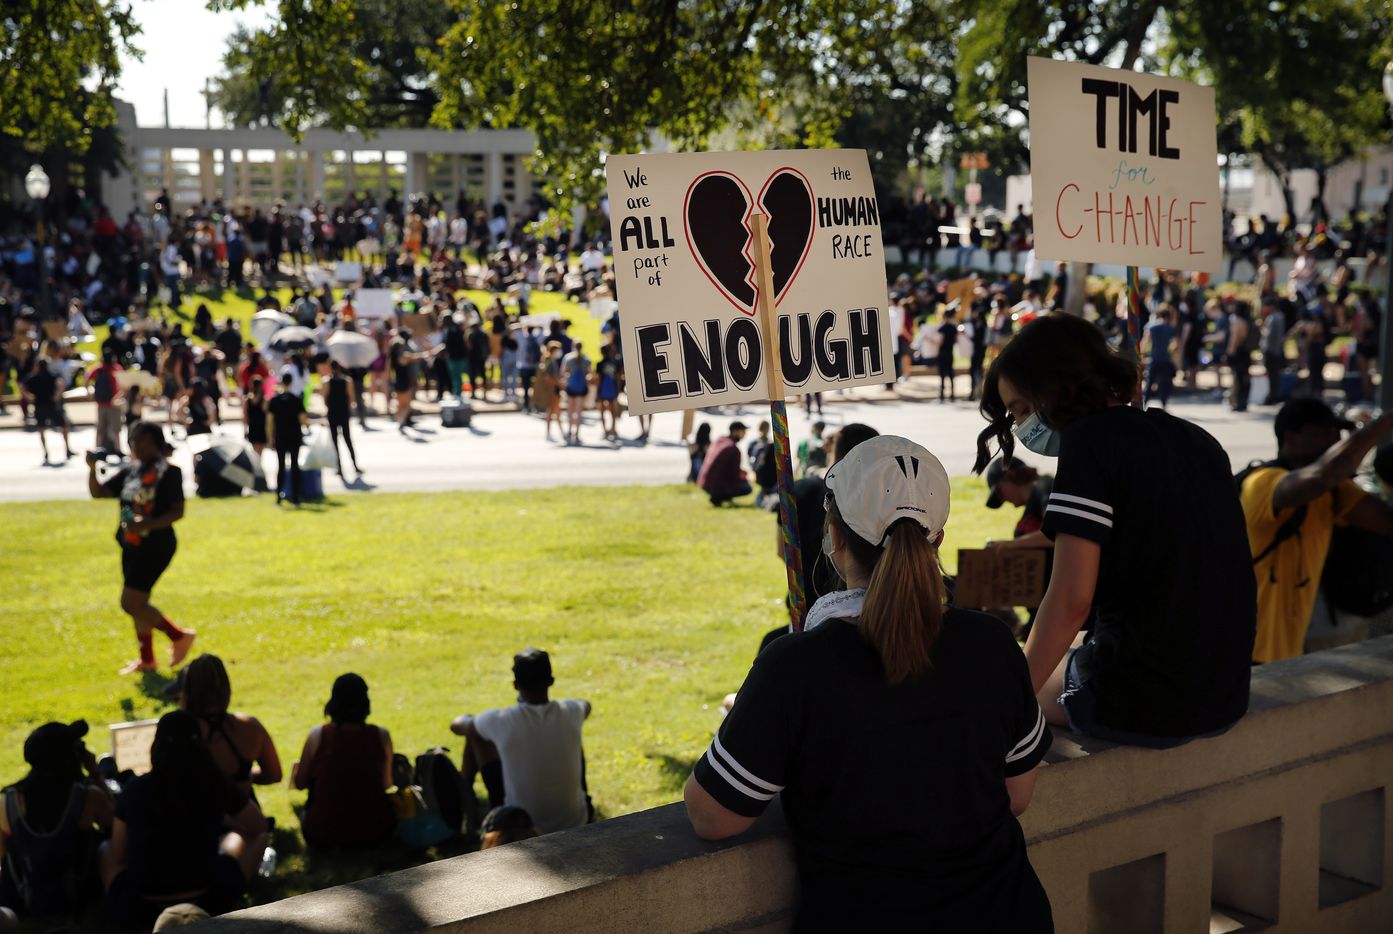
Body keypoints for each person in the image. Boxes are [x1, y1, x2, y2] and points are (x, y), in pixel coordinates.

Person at [686, 436, 1053, 932]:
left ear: (834, 538)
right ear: (938, 538)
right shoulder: (992, 642)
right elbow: (1017, 796)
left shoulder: (794, 667)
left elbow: (714, 817)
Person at [974, 314, 1255, 747]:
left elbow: (1071, 599)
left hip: (1152, 705)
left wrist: (1007, 698)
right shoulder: (1194, 437)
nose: (1022, 426)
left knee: (1001, 679)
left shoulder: (1089, 442)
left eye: (1022, 409)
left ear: (1055, 385)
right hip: (1227, 694)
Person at [1241, 401, 1393, 663]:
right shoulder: (1262, 482)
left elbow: (1387, 522)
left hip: (1289, 652)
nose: (1335, 440)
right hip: (1247, 652)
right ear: (1290, 437)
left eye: (1338, 433)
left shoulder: (1335, 492)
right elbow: (1326, 473)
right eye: (1324, 433)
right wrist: (1386, 421)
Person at [100, 711, 266, 928]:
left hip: (142, 902)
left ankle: (113, 908)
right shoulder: (213, 783)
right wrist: (226, 820)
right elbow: (259, 825)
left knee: (104, 849)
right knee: (254, 837)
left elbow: (118, 853)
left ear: (156, 746)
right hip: (209, 896)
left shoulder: (136, 789)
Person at [87, 421, 196, 674]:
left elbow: (177, 512)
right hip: (131, 544)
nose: (136, 444)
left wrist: (146, 523)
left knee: (130, 602)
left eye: (143, 440)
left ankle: (179, 636)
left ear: (156, 442)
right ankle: (147, 659)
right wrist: (92, 469)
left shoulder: (169, 472)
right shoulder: (132, 471)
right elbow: (100, 493)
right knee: (139, 603)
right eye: (134, 439)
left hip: (156, 545)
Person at [451, 649, 592, 834]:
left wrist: (471, 718)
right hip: (576, 821)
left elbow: (457, 725)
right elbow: (586, 705)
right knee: (570, 734)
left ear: (515, 685)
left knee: (475, 734)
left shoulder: (501, 720)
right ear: (551, 681)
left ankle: (465, 802)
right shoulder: (572, 712)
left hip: (519, 825)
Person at [0, 721, 114, 919]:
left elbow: (3, 854)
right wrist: (94, 772)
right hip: (81, 898)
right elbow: (116, 822)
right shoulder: (88, 796)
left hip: (21, 901)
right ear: (72, 756)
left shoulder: (7, 802)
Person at [292, 674, 396, 848]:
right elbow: (387, 784)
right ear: (365, 702)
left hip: (323, 835)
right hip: (376, 832)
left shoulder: (318, 735)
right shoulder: (381, 735)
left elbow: (300, 782)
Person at [177, 655, 283, 802]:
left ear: (187, 693)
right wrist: (243, 778)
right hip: (244, 819)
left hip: (197, 819)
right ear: (226, 688)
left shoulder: (177, 733)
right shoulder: (250, 727)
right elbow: (274, 774)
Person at [22, 355, 71, 464]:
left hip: (39, 406)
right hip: (51, 405)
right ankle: (67, 448)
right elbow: (61, 383)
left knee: (41, 430)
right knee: (64, 426)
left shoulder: (33, 378)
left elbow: (22, 386)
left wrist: (28, 396)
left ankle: (45, 451)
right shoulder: (52, 376)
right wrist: (58, 395)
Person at [267, 372, 307, 505]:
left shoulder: (275, 400)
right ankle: (296, 497)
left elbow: (270, 422)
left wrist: (270, 438)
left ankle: (279, 497)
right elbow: (303, 420)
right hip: (294, 435)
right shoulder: (296, 399)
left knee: (281, 466)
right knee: (295, 465)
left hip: (280, 435)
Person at [322, 360, 361, 483]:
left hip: (333, 413)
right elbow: (352, 399)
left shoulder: (326, 381)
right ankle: (354, 465)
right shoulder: (347, 381)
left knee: (335, 441)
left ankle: (339, 467)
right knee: (348, 439)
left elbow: (324, 398)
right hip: (343, 413)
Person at [698, 422, 753, 506]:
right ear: (735, 432)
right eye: (743, 431)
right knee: (747, 488)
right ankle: (719, 497)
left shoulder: (719, 440)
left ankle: (720, 496)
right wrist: (746, 477)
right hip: (715, 485)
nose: (744, 434)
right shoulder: (733, 449)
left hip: (702, 482)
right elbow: (734, 475)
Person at [87, 346, 125, 455]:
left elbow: (87, 380)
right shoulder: (117, 368)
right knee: (116, 429)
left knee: (100, 429)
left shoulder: (98, 369)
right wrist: (118, 397)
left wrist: (91, 394)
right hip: (113, 403)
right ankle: (118, 450)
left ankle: (97, 450)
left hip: (101, 404)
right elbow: (124, 386)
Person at [1141, 305, 1178, 408]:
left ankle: (1145, 403)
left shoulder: (1151, 327)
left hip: (1154, 358)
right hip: (1165, 359)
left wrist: (1141, 355)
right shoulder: (1170, 329)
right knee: (1164, 383)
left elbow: (1144, 342)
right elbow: (1175, 345)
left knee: (1149, 382)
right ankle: (1163, 404)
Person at [560, 341, 592, 445]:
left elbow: (563, 372)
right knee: (578, 412)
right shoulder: (586, 359)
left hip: (571, 387)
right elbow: (590, 374)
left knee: (570, 411)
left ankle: (569, 432)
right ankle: (577, 434)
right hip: (581, 387)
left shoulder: (568, 358)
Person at [594, 342, 621, 441]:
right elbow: (618, 377)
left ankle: (605, 430)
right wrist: (618, 389)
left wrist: (597, 391)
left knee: (602, 410)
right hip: (612, 388)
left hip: (603, 388)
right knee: (613, 410)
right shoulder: (615, 362)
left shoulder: (600, 364)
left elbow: (599, 379)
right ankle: (613, 428)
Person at [537, 340, 563, 441]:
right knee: (554, 411)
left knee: (553, 411)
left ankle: (555, 432)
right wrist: (559, 384)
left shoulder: (549, 361)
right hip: (553, 390)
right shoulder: (550, 362)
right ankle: (559, 432)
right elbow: (549, 378)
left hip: (553, 389)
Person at [937, 306, 959, 402]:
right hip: (950, 352)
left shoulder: (942, 328)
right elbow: (956, 340)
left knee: (942, 374)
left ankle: (942, 394)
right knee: (950, 373)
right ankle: (952, 394)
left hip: (942, 353)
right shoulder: (954, 328)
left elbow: (940, 341)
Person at [244, 377, 268, 457]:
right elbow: (267, 415)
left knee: (254, 451)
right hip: (261, 426)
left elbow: (245, 416)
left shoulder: (247, 399)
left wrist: (245, 430)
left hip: (252, 426)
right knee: (261, 451)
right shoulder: (264, 400)